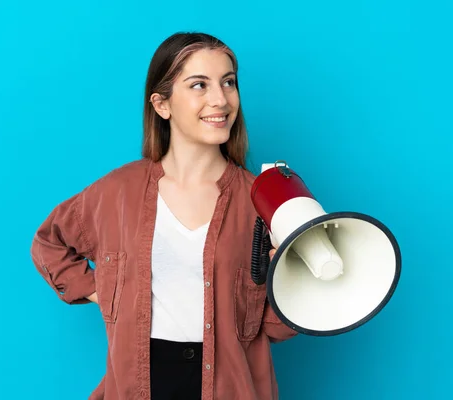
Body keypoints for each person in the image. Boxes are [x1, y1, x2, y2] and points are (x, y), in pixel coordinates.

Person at [30, 31, 298, 400]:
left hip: (231, 387)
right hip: (140, 384)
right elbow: (50, 242)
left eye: (229, 82)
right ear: (162, 104)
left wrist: (292, 278)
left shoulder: (263, 201)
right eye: (199, 85)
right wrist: (102, 292)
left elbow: (275, 328)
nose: (220, 99)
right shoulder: (118, 192)